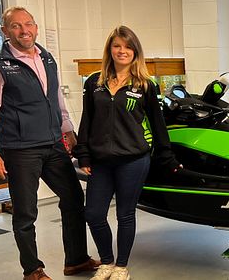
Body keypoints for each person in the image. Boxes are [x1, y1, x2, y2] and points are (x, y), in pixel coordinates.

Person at [0, 6, 100, 280]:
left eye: (28, 24)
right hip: (20, 150)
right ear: (5, 31)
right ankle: (32, 270)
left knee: (73, 198)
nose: (24, 30)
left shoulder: (47, 57)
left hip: (54, 144)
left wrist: (68, 130)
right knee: (25, 212)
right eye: (16, 26)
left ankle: (76, 259)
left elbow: (56, 99)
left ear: (36, 26)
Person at [73, 26, 180, 280]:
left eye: (128, 47)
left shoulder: (145, 84)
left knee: (125, 214)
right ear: (110, 49)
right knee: (94, 214)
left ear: (135, 51)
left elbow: (158, 124)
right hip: (100, 161)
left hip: (133, 160)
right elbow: (86, 121)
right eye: (117, 46)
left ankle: (121, 266)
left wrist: (167, 157)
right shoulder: (94, 83)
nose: (122, 51)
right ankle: (106, 262)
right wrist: (84, 154)